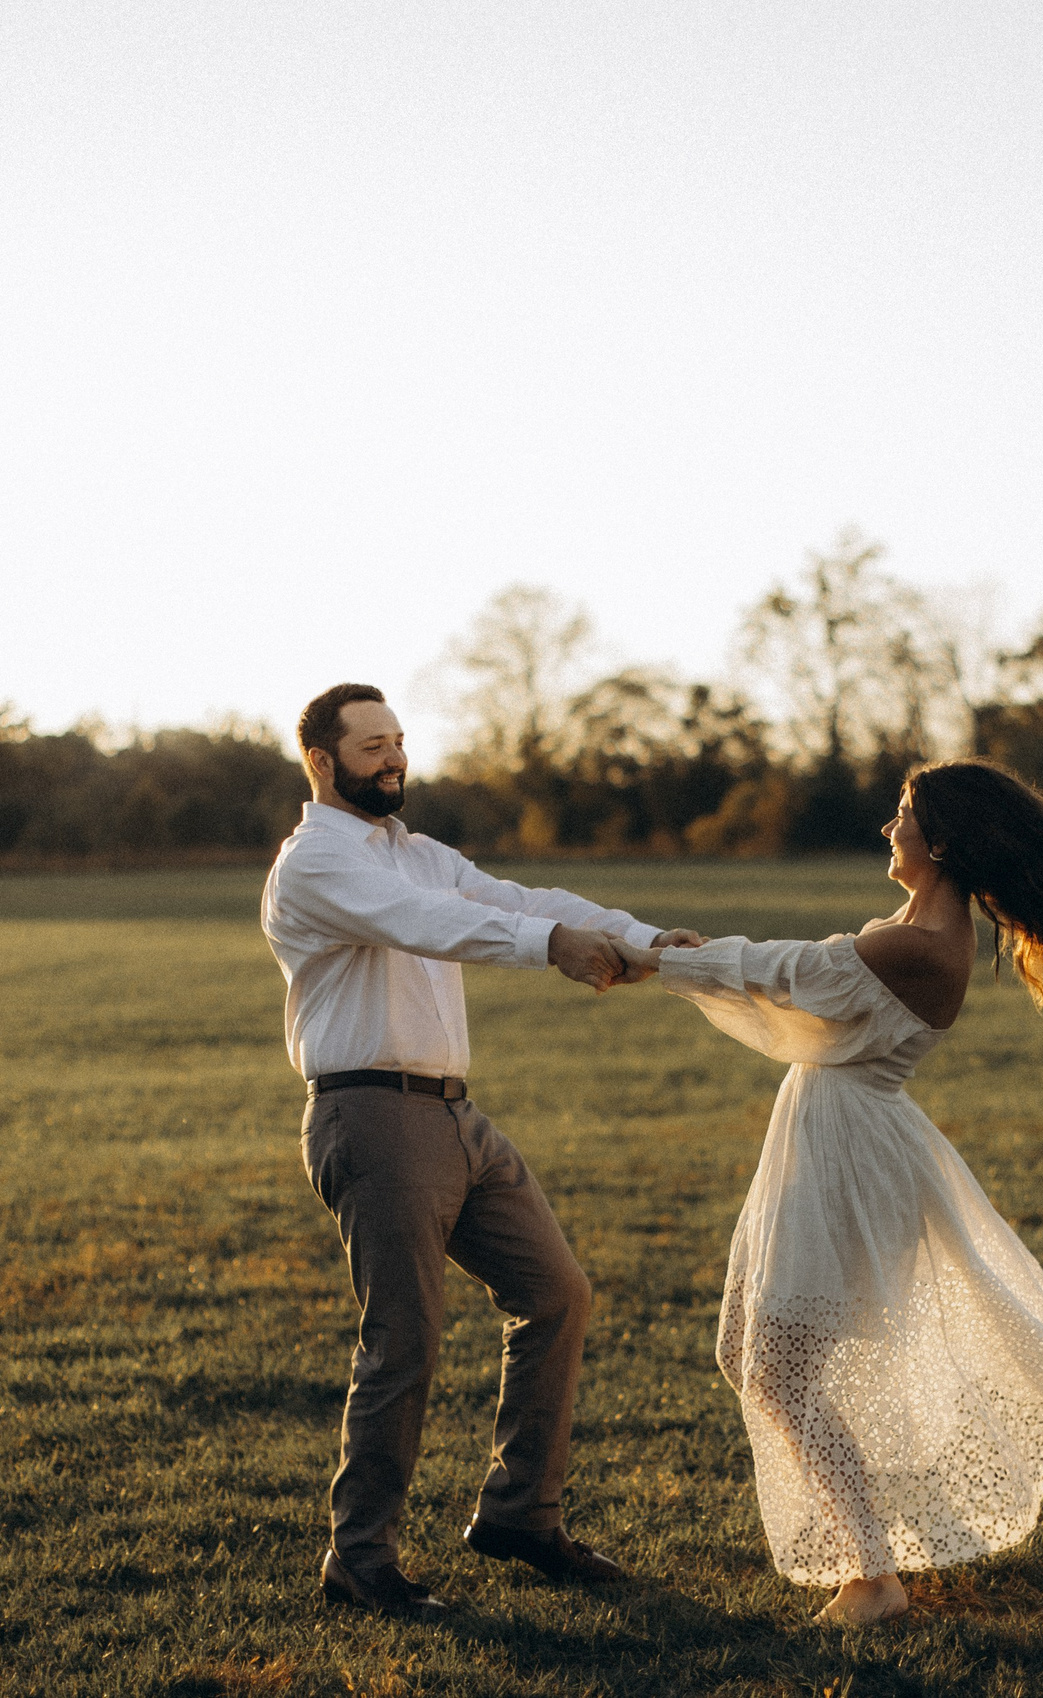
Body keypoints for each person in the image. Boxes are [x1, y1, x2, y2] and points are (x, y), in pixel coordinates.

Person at [605, 758, 1043, 1627]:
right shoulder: (913, 929)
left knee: (771, 1368)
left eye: (903, 816)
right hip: (835, 1140)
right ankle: (886, 1556)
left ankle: (873, 1578)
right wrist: (688, 962)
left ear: (941, 841)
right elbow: (793, 991)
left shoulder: (916, 946)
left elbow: (787, 971)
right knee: (757, 1361)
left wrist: (666, 961)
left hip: (850, 1156)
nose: (889, 829)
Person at [260, 682, 705, 1622]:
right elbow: (430, 925)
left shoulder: (417, 853)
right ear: (321, 762)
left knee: (556, 1294)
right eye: (371, 744)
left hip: (456, 1117)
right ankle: (359, 1561)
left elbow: (514, 895)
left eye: (398, 740)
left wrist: (636, 938)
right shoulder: (315, 867)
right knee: (405, 1340)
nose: (392, 757)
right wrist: (553, 948)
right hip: (371, 1116)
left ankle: (518, 1518)